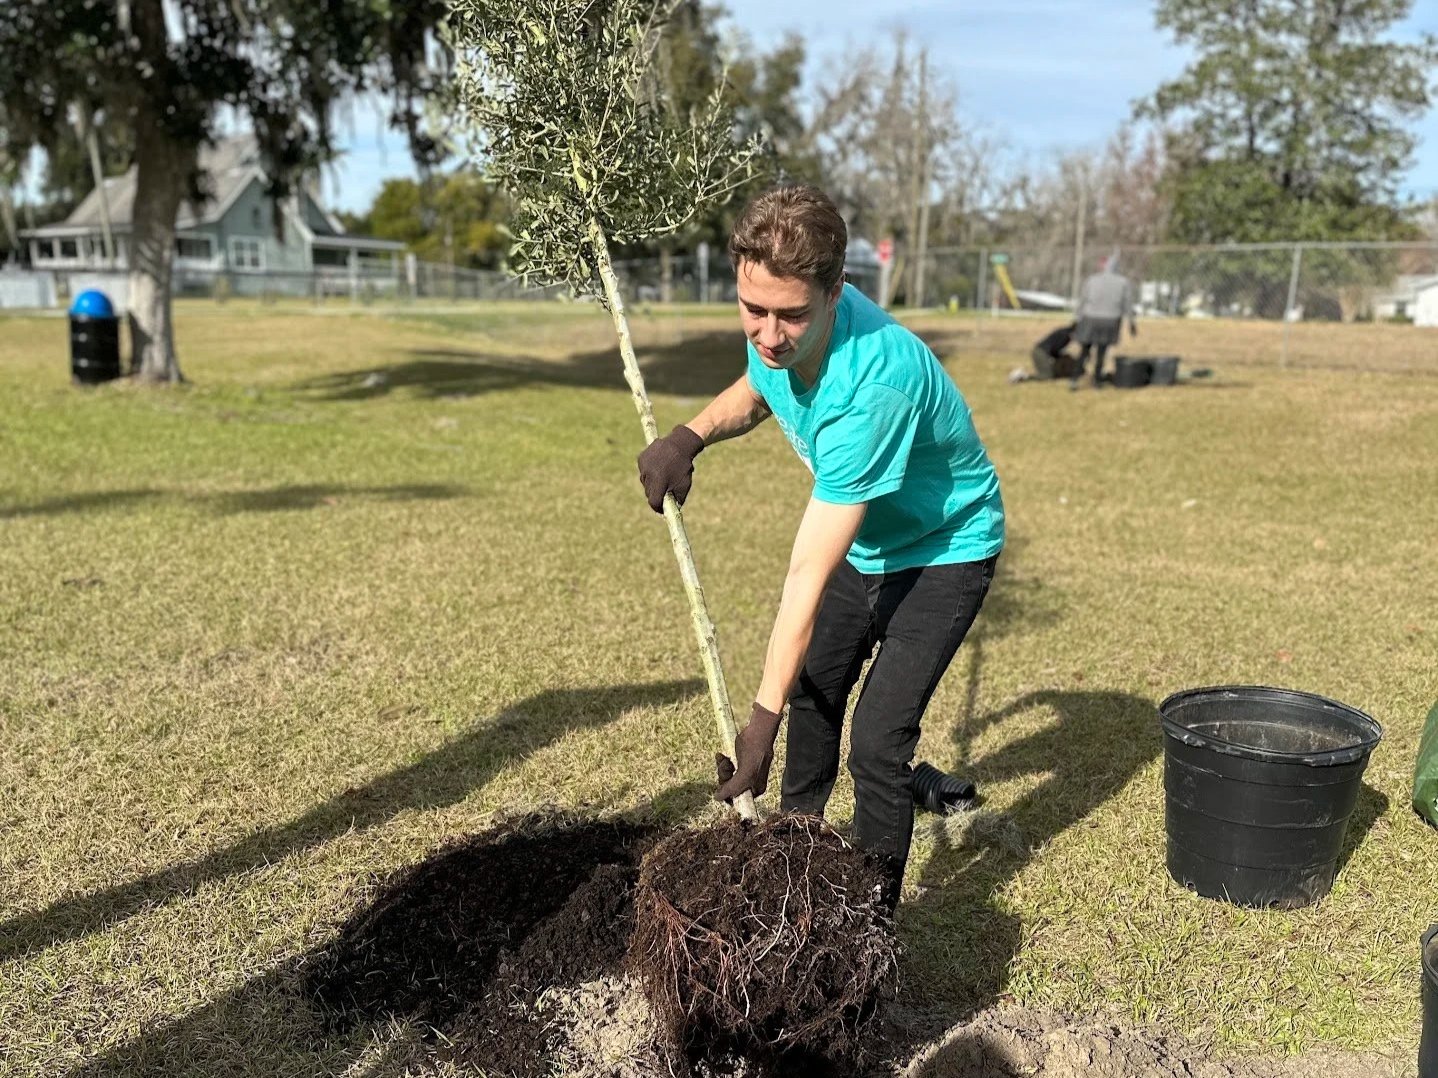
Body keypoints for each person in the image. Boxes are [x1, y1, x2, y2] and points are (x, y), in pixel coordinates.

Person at [635, 185, 1004, 904]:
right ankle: (793, 857)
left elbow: (807, 571)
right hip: (874, 544)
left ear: (839, 291)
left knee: (877, 744)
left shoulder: (875, 386)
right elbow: (761, 382)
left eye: (791, 315)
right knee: (815, 692)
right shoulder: (783, 336)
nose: (769, 334)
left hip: (945, 550)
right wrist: (691, 436)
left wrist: (757, 723)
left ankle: (868, 916)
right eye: (753, 310)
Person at [1072, 258, 1137, 388]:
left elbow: (1083, 301)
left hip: (1090, 318)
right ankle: (1097, 380)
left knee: (1084, 350)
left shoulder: (1092, 280)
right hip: (1111, 321)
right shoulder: (1123, 282)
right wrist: (1131, 323)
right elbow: (1127, 305)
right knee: (1102, 351)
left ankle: (1074, 379)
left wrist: (1077, 319)